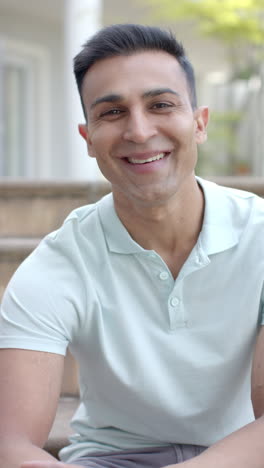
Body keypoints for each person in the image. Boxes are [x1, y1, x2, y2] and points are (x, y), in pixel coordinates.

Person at [0, 23, 264, 468]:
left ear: (199, 124)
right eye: (112, 112)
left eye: (161, 104)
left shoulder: (259, 235)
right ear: (88, 139)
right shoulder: (58, 263)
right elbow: (12, 444)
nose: (139, 132)